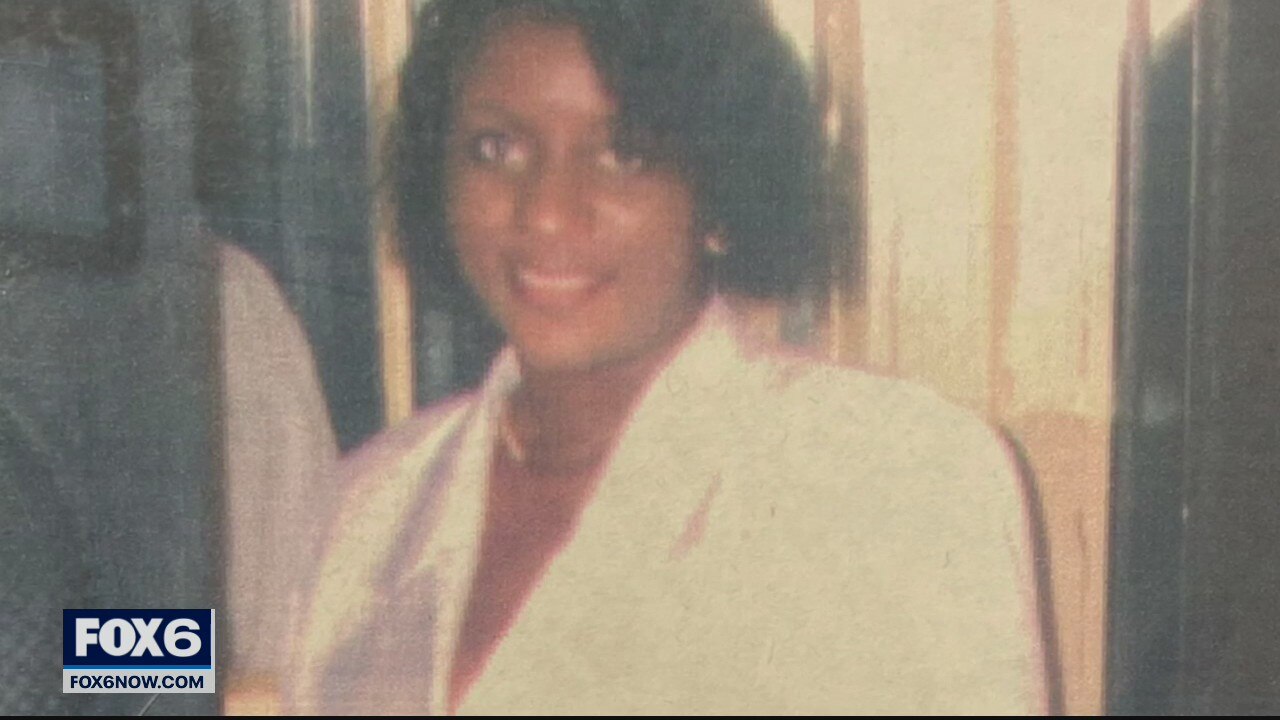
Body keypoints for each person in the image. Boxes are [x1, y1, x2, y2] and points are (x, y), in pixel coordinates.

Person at [291, 0, 1047, 713]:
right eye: (499, 148)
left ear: (718, 188)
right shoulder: (369, 510)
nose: (547, 212)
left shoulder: (893, 475)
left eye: (623, 153)